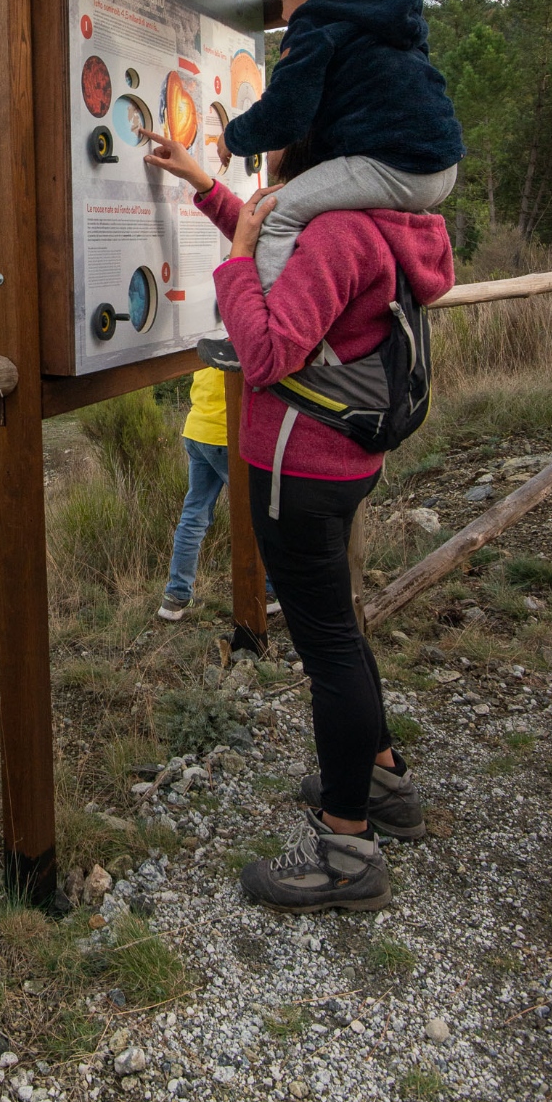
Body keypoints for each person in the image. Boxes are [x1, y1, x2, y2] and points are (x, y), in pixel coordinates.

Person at [144, 129, 454, 913]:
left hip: (299, 470)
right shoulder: (377, 218)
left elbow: (269, 346)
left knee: (327, 652)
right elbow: (295, 281)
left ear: (303, 158)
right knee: (339, 633)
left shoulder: (334, 233)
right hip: (340, 462)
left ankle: (347, 848)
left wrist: (233, 263)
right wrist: (209, 191)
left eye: (275, 144)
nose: (265, 158)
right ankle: (382, 779)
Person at [214, 0, 463, 299]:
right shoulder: (387, 19)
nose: (282, 12)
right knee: (317, 204)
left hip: (394, 163)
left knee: (275, 215)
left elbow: (286, 116)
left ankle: (264, 329)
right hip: (441, 165)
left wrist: (234, 137)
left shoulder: (316, 21)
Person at [157, 369, 274, 622]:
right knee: (262, 512)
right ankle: (269, 592)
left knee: (193, 516)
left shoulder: (203, 331)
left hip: (198, 431)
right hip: (227, 434)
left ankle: (176, 596)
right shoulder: (237, 334)